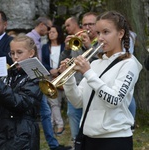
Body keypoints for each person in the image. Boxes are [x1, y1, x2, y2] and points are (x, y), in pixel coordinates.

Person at [59, 10, 142, 150]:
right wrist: (68, 77)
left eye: (106, 32)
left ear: (120, 34)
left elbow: (114, 100)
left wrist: (88, 73)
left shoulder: (129, 64)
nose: (100, 38)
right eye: (98, 33)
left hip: (114, 139)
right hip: (89, 138)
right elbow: (78, 101)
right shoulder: (96, 63)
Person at [27, 18, 71, 150]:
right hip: (36, 79)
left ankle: (53, 144)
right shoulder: (30, 39)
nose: (48, 32)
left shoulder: (38, 40)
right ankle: (52, 144)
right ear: (41, 25)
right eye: (48, 29)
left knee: (46, 113)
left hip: (41, 78)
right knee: (45, 112)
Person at [0, 35, 43, 149]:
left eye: (19, 52)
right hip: (5, 131)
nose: (15, 57)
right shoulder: (11, 73)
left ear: (31, 53)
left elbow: (21, 103)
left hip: (23, 135)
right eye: (12, 53)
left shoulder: (36, 75)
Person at [60, 13, 98, 144]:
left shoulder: (102, 42)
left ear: (97, 25)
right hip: (76, 86)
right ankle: (77, 142)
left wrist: (89, 47)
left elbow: (103, 62)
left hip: (94, 88)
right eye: (85, 24)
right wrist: (65, 50)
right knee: (73, 116)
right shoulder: (76, 40)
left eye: (91, 24)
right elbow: (63, 62)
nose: (87, 27)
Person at [41, 25, 65, 135]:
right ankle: (59, 125)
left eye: (53, 32)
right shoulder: (45, 47)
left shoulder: (64, 46)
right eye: (49, 32)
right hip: (50, 75)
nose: (51, 33)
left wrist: (59, 71)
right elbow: (43, 62)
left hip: (63, 75)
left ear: (58, 33)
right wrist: (50, 70)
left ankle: (52, 123)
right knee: (53, 101)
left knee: (58, 101)